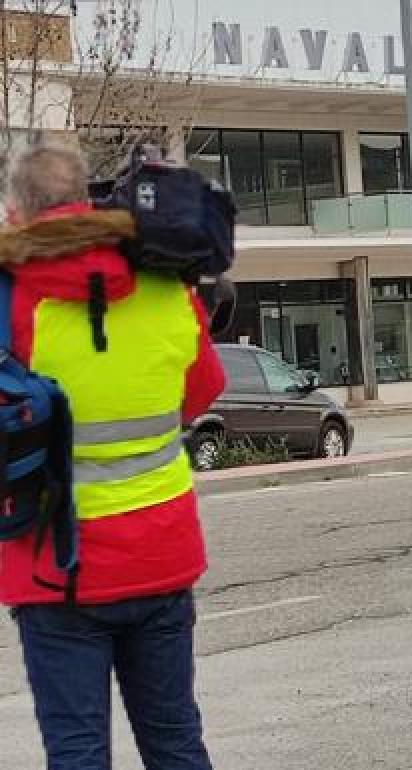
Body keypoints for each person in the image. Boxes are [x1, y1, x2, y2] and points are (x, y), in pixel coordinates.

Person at [0, 142, 225, 769]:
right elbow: (202, 391)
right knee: (175, 740)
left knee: (77, 752)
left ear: (16, 209)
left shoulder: (11, 298)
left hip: (54, 569)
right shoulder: (166, 283)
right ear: (86, 197)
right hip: (162, 554)